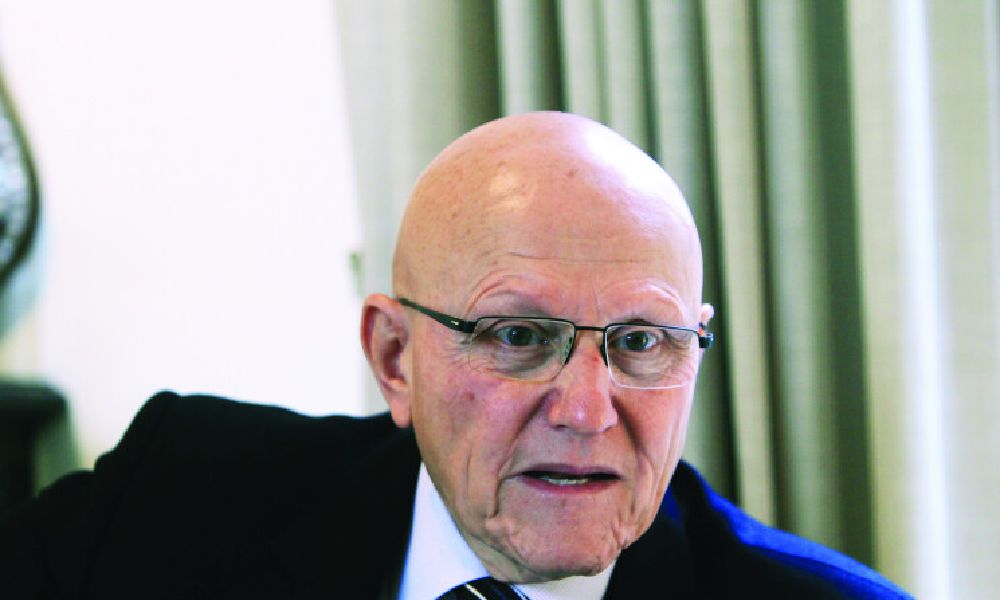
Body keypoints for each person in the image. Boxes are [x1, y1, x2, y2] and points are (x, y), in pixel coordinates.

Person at [0, 112, 910, 599]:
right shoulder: (171, 501)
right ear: (395, 357)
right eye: (519, 337)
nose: (585, 410)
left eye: (640, 342)